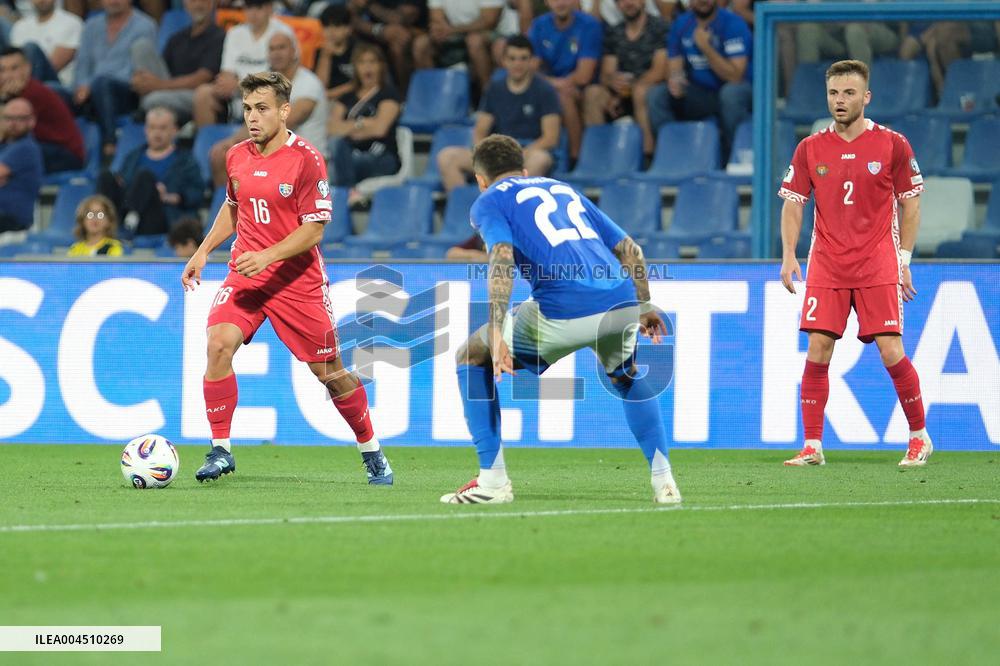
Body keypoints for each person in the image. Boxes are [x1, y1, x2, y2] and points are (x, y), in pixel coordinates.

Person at [440, 133, 680, 505]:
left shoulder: (488, 201)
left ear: (480, 179)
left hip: (561, 310)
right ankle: (665, 483)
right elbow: (630, 249)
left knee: (470, 356)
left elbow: (501, 257)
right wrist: (644, 304)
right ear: (523, 171)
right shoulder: (563, 189)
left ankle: (492, 482)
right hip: (620, 301)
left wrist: (497, 331)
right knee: (626, 375)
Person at [181, 70, 394, 485]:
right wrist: (203, 250)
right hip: (247, 275)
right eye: (247, 108)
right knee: (218, 344)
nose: (252, 117)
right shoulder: (236, 155)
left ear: (284, 111)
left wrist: (267, 257)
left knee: (330, 374)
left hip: (296, 283)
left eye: (262, 108)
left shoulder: (306, 159)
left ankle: (371, 450)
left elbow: (314, 230)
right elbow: (234, 206)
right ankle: (221, 450)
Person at [778, 59, 932, 468]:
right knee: (818, 348)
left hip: (876, 261)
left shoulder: (892, 144)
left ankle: (919, 437)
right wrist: (789, 253)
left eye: (849, 93)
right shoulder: (810, 147)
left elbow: (911, 203)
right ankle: (812, 445)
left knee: (890, 349)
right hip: (827, 263)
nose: (840, 100)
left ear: (866, 97)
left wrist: (903, 259)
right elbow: (793, 203)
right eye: (833, 93)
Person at [437, 35, 559, 193]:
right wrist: (487, 154)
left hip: (528, 152)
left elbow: (550, 138)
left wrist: (518, 154)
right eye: (512, 58)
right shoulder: (495, 89)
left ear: (531, 61)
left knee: (540, 159)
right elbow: (480, 130)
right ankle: (471, 206)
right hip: (499, 152)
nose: (518, 64)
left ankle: (511, 206)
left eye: (523, 58)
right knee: (447, 157)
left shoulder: (545, 90)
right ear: (504, 61)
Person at [209, 31, 328, 187]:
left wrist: (239, 142)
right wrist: (233, 141)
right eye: (272, 49)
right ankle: (228, 201)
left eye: (281, 48)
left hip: (306, 159)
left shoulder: (309, 83)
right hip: (275, 154)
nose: (276, 53)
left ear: (294, 52)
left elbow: (286, 122)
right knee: (221, 154)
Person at [644, 0, 752, 160]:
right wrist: (677, 81)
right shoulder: (681, 23)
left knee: (730, 94)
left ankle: (735, 157)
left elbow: (735, 76)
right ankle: (674, 157)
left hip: (738, 91)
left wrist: (706, 48)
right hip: (701, 93)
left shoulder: (733, 23)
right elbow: (675, 65)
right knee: (656, 96)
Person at [97, 106, 203, 237]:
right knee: (105, 176)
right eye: (152, 128)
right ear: (146, 130)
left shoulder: (186, 160)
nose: (157, 133)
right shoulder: (133, 157)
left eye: (162, 128)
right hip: (124, 210)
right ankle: (104, 225)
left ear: (174, 130)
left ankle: (130, 223)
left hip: (161, 216)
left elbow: (197, 192)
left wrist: (172, 197)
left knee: (145, 176)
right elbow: (124, 181)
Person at [582, 0, 668, 158]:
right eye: (621, 1)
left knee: (640, 92)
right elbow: (606, 73)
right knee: (593, 93)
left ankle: (648, 156)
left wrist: (627, 91)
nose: (628, 3)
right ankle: (599, 158)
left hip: (649, 91)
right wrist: (612, 82)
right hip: (622, 92)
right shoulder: (614, 32)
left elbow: (659, 72)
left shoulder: (660, 27)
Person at [72, 0, 157, 155]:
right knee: (54, 91)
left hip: (125, 91)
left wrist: (93, 84)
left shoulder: (145, 26)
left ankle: (110, 142)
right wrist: (83, 85)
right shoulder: (91, 25)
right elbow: (82, 63)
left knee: (102, 82)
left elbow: (138, 70)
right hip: (91, 91)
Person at [192, 0, 293, 128]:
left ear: (269, 8)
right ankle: (207, 139)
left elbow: (282, 75)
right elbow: (226, 72)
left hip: (269, 92)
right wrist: (228, 85)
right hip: (235, 94)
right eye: (249, 8)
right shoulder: (235, 32)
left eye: (258, 7)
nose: (253, 13)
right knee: (203, 94)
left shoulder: (283, 33)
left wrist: (240, 85)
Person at [529, 0, 603, 163]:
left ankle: (575, 158)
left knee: (564, 97)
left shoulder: (589, 25)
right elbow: (531, 68)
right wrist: (554, 84)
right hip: (550, 85)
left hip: (581, 88)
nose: (560, 3)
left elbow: (584, 76)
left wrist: (557, 85)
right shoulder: (538, 25)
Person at [130, 0, 225, 124]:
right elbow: (162, 68)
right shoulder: (176, 38)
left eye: (203, 1)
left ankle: (147, 110)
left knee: (153, 100)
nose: (198, 5)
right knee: (141, 46)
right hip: (168, 90)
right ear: (185, 4)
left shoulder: (219, 37)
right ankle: (149, 109)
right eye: (193, 1)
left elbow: (201, 79)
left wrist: (159, 85)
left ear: (212, 4)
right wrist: (139, 79)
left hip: (196, 95)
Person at [326, 42, 400, 189]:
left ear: (381, 66)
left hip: (381, 155)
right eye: (362, 62)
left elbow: (380, 129)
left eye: (372, 62)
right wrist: (363, 123)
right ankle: (348, 193)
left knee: (335, 167)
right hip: (349, 153)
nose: (367, 67)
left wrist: (347, 129)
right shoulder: (347, 97)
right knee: (335, 147)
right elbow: (331, 129)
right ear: (355, 67)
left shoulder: (388, 94)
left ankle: (344, 194)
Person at [0, 46, 84, 173]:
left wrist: (4, 98)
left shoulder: (32, 92)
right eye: (2, 70)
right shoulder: (11, 93)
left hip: (64, 154)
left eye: (14, 68)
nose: (7, 76)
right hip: (41, 147)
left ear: (27, 69)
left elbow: (5, 133)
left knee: (17, 150)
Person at [413, 0, 502, 96]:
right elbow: (437, 19)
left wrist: (453, 30)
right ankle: (432, 96)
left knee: (474, 41)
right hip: (452, 33)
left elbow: (489, 21)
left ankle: (489, 95)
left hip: (487, 32)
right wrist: (439, 31)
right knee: (421, 44)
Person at [347, 0, 425, 92]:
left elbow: (400, 19)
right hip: (373, 34)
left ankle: (405, 93)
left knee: (399, 42)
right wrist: (379, 30)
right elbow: (352, 18)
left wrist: (369, 5)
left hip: (411, 32)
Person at [9, 0, 83, 86]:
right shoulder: (20, 26)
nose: (42, 0)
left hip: (58, 84)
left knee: (31, 48)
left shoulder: (72, 22)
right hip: (22, 81)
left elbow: (53, 66)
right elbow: (12, 62)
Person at [0, 97, 43, 240]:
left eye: (19, 119)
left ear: (31, 121)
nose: (12, 123)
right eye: (8, 118)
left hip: (12, 218)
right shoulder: (5, 146)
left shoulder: (26, 147)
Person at [314, 3, 356, 102]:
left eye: (337, 26)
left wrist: (329, 94)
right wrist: (326, 56)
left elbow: (359, 83)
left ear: (349, 28)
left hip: (356, 98)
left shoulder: (359, 49)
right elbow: (320, 86)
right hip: (329, 101)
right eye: (327, 26)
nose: (331, 31)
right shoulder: (320, 52)